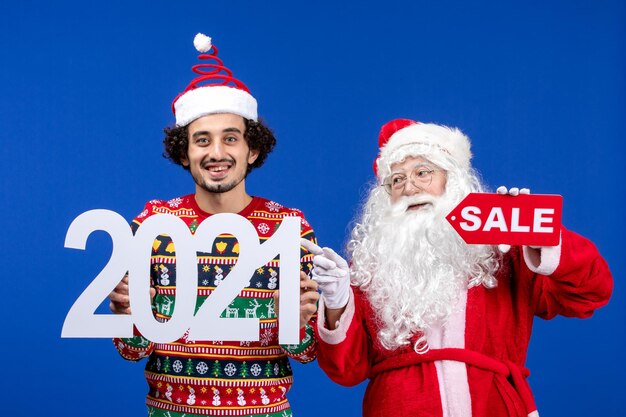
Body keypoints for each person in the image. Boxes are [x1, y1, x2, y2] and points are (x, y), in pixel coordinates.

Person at [305, 119, 612, 417]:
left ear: (451, 180)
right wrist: (337, 302)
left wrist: (535, 233)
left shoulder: (505, 251)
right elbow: (346, 371)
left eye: (422, 173)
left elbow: (591, 292)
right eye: (397, 179)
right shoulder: (371, 267)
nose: (409, 187)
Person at [108, 33, 319, 417]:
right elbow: (131, 351)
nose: (216, 153)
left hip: (264, 411)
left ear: (251, 150)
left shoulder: (290, 227)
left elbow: (306, 354)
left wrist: (298, 321)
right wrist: (129, 316)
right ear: (184, 153)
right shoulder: (153, 224)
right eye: (201, 140)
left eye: (231, 139)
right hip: (170, 411)